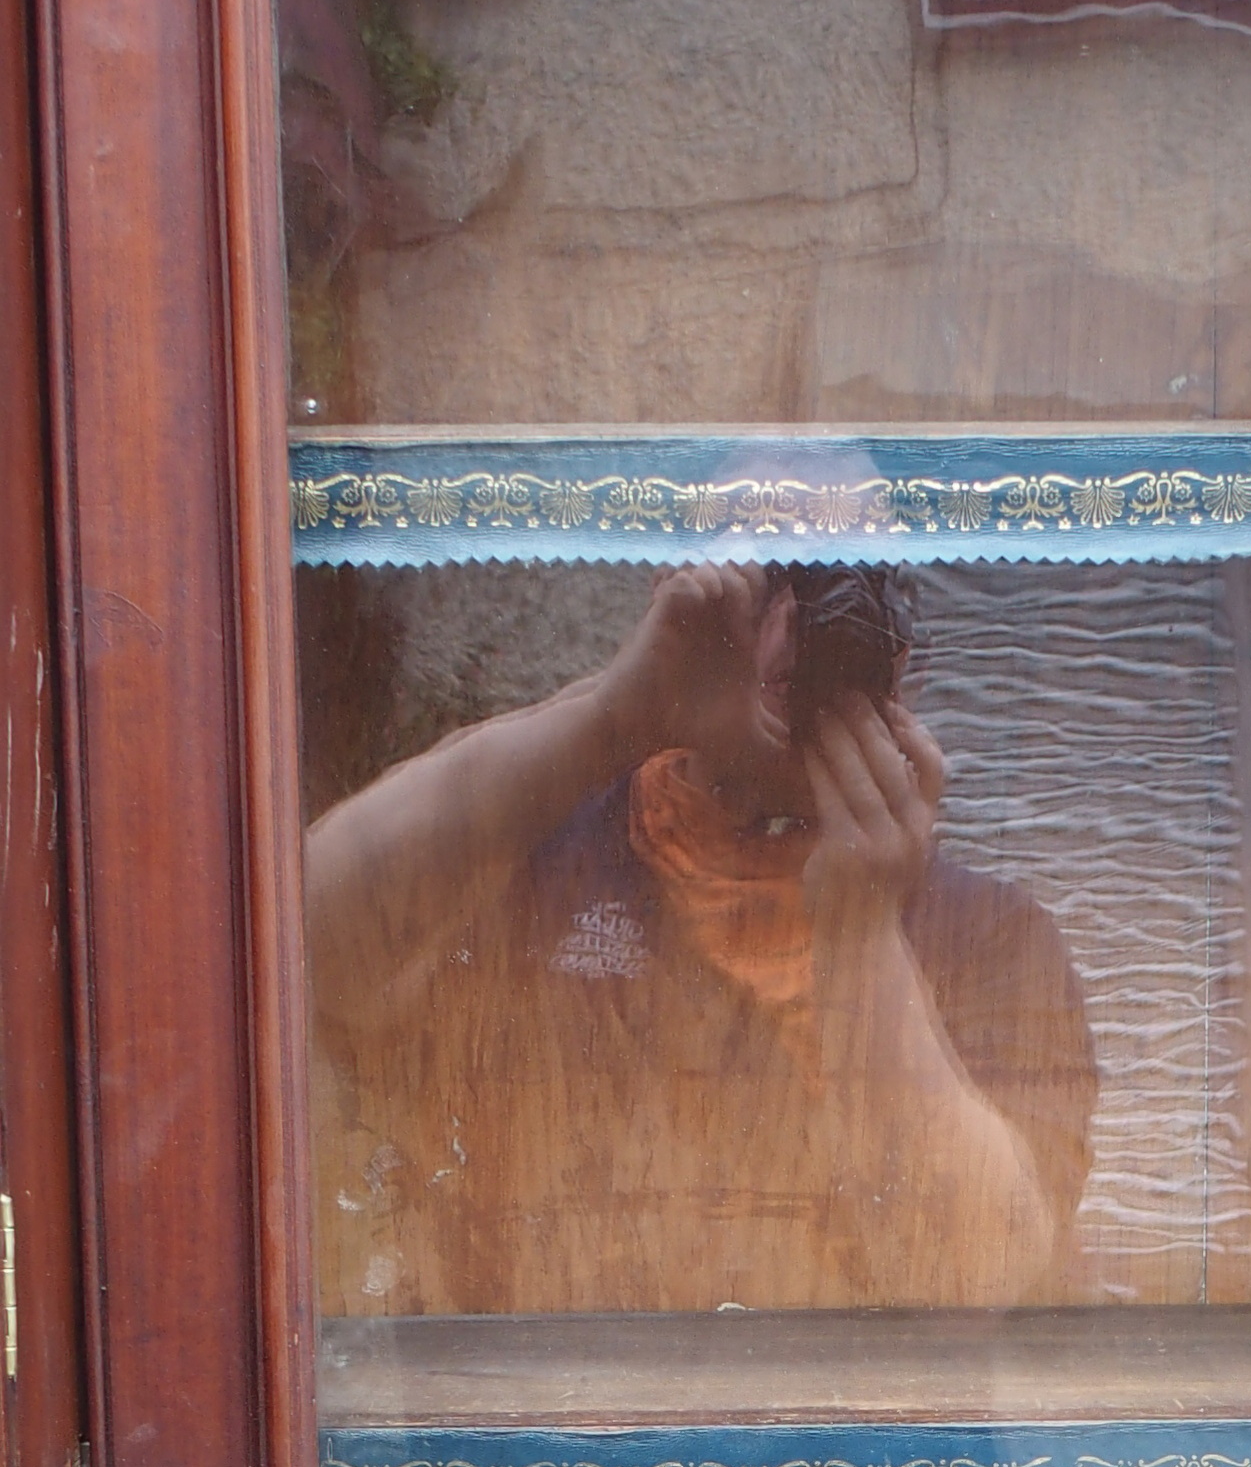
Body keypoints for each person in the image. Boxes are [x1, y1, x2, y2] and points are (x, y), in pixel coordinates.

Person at [306, 561, 1095, 1316]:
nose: (806, 625)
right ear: (672, 606)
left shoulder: (991, 936)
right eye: (767, 578)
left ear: (905, 657)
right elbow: (300, 947)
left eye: (860, 582)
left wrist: (861, 940)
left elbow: (985, 1280)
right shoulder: (525, 856)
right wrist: (615, 715)